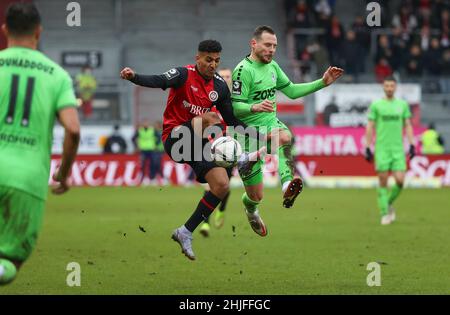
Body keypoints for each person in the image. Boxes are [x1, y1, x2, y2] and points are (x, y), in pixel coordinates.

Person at [121, 40, 266, 260]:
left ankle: (185, 231)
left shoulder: (219, 86)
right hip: (175, 138)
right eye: (208, 59)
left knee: (222, 185)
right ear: (197, 58)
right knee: (210, 117)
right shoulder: (182, 74)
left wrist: (260, 135)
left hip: (196, 145)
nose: (213, 64)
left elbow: (231, 120)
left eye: (217, 60)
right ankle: (241, 159)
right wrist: (134, 77)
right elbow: (159, 80)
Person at [231, 25, 343, 236]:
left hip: (271, 126)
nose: (271, 50)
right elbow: (236, 107)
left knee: (284, 136)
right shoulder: (242, 71)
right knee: (256, 196)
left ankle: (286, 186)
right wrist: (254, 107)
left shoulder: (272, 67)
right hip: (248, 134)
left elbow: (291, 90)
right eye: (267, 45)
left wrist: (322, 82)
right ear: (253, 44)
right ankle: (250, 208)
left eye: (274, 46)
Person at [0, 3, 80, 284]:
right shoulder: (56, 75)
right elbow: (72, 129)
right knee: (9, 262)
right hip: (27, 179)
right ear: (39, 31)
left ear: (5, 29)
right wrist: (64, 172)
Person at [364, 76, 416, 226]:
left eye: (392, 86)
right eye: (387, 86)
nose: (389, 88)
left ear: (395, 87)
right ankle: (384, 213)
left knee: (400, 181)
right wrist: (367, 146)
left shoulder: (402, 105)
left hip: (398, 149)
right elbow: (370, 127)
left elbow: (408, 125)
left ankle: (388, 203)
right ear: (383, 87)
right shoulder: (376, 105)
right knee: (383, 181)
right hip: (382, 149)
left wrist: (412, 144)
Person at [199, 68, 233, 237]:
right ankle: (205, 223)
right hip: (211, 147)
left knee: (225, 187)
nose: (225, 78)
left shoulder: (235, 100)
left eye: (228, 76)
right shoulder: (211, 98)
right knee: (210, 186)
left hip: (231, 148)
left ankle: (222, 209)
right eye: (223, 76)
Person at [132, 120, 160, 185]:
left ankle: (152, 179)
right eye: (144, 123)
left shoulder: (152, 130)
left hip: (151, 149)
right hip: (143, 150)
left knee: (153, 164)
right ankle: (143, 179)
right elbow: (133, 138)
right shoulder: (140, 130)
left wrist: (156, 145)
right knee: (143, 165)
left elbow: (158, 138)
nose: (145, 124)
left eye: (146, 123)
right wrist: (136, 146)